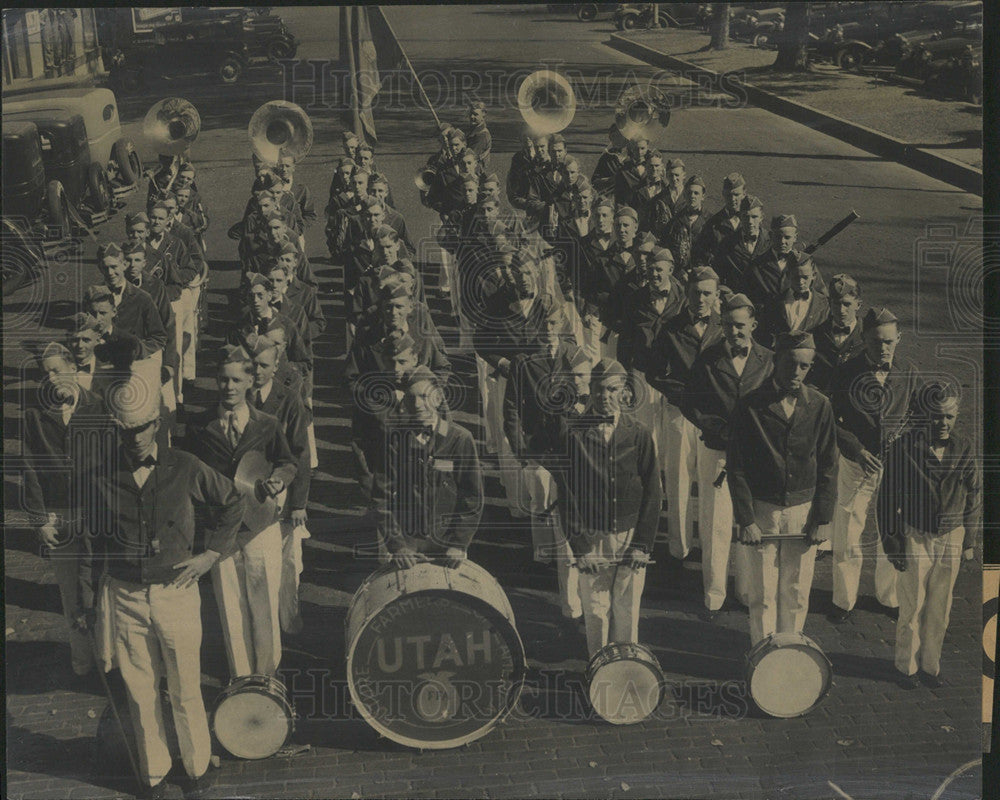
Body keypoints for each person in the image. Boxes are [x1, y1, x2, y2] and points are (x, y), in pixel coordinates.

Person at [84, 377, 243, 799]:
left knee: (185, 686)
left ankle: (196, 770)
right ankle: (153, 774)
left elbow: (232, 502)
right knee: (140, 691)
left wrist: (211, 554)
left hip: (177, 591)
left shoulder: (186, 466)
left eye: (139, 427)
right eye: (122, 429)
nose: (132, 438)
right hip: (126, 595)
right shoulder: (100, 476)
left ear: (156, 423)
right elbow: (91, 545)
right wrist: (89, 603)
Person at [182, 345, 297, 679]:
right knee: (231, 606)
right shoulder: (199, 426)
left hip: (261, 525)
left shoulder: (268, 424)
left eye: (235, 380)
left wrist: (278, 478)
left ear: (250, 381)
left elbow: (288, 461)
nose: (228, 387)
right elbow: (189, 473)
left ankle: (268, 677)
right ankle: (242, 678)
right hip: (222, 530)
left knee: (264, 601)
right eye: (222, 380)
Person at [727, 332, 839, 646]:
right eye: (790, 364)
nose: (796, 373)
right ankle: (763, 654)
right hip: (763, 509)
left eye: (804, 367)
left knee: (797, 590)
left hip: (803, 510)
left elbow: (830, 464)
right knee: (762, 593)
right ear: (776, 361)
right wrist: (746, 519)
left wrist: (823, 517)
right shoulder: (750, 405)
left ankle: (790, 650)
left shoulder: (820, 405)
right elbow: (736, 466)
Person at [556, 358, 662, 657]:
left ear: (624, 392)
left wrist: (642, 544)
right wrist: (581, 548)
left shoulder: (639, 433)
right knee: (596, 610)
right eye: (599, 389)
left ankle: (626, 666)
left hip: (629, 535)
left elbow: (653, 491)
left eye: (612, 390)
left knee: (627, 608)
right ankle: (599, 668)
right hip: (592, 536)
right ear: (589, 390)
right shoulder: (573, 434)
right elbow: (567, 496)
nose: (605, 397)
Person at [877, 383, 980, 689]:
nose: (943, 424)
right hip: (914, 533)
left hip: (952, 535)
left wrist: (970, 539)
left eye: (948, 417)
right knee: (912, 603)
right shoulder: (904, 447)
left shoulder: (964, 446)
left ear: (956, 414)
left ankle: (929, 666)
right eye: (936, 417)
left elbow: (973, 493)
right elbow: (887, 499)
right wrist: (892, 541)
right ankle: (905, 666)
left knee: (940, 605)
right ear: (923, 416)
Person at [827, 306, 922, 622]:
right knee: (848, 530)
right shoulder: (846, 371)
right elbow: (832, 419)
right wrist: (854, 448)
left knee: (892, 530)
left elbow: (920, 416)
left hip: (894, 464)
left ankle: (889, 596)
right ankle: (843, 600)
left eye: (889, 342)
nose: (883, 348)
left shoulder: (908, 371)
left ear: (899, 338)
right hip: (857, 463)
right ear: (864, 338)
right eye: (876, 341)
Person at [22, 342, 110, 679]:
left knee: (98, 587)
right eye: (46, 374)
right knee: (69, 590)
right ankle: (82, 660)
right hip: (60, 515)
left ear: (74, 367)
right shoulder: (35, 416)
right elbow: (29, 467)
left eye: (58, 370)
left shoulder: (98, 407)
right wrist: (39, 518)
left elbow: (111, 464)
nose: (52, 378)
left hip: (95, 513)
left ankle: (107, 658)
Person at [686, 293, 773, 618]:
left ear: (753, 324)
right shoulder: (708, 359)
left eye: (740, 326)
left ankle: (748, 590)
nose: (734, 332)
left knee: (750, 521)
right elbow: (691, 404)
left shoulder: (768, 359)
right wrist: (720, 431)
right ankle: (714, 595)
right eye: (728, 326)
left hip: (754, 454)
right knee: (716, 524)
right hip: (718, 452)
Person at [505, 336, 592, 620]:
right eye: (573, 375)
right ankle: (570, 605)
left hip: (592, 486)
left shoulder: (598, 406)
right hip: (564, 480)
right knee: (566, 546)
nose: (578, 381)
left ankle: (590, 600)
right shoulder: (555, 409)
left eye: (583, 376)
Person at [647, 267, 724, 562]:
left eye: (707, 293)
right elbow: (654, 373)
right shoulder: (670, 327)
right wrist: (680, 395)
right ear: (687, 293)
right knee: (678, 479)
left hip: (713, 418)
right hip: (680, 413)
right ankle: (679, 548)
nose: (701, 299)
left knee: (710, 483)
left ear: (716, 295)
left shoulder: (724, 326)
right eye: (696, 293)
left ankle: (708, 546)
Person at [381, 366, 484, 569]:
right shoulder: (394, 440)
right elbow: (381, 497)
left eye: (423, 396)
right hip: (406, 545)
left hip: (447, 545)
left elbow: (472, 496)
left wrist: (459, 543)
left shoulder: (459, 439)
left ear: (437, 399)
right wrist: (398, 545)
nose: (418, 404)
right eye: (411, 398)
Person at [248, 336, 312, 634]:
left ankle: (289, 615)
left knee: (288, 560)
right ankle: (262, 620)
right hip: (249, 486)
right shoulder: (239, 394)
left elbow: (300, 452)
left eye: (263, 365)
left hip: (283, 488)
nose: (256, 370)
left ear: (275, 367)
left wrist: (298, 503)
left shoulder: (288, 400)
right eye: (252, 364)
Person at [808, 273, 865, 395]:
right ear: (829, 303)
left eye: (847, 304)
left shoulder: (868, 335)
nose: (841, 310)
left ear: (858, 305)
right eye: (836, 303)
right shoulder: (815, 334)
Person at [710, 195, 769, 294]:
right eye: (746, 216)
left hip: (764, 300)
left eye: (754, 217)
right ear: (740, 217)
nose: (750, 221)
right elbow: (718, 274)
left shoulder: (771, 241)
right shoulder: (727, 243)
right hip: (738, 299)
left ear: (761, 218)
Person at [464, 99, 492, 167]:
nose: (472, 117)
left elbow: (470, 157)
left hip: (475, 170)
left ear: (483, 114)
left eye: (475, 114)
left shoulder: (482, 135)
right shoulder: (475, 130)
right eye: (470, 114)